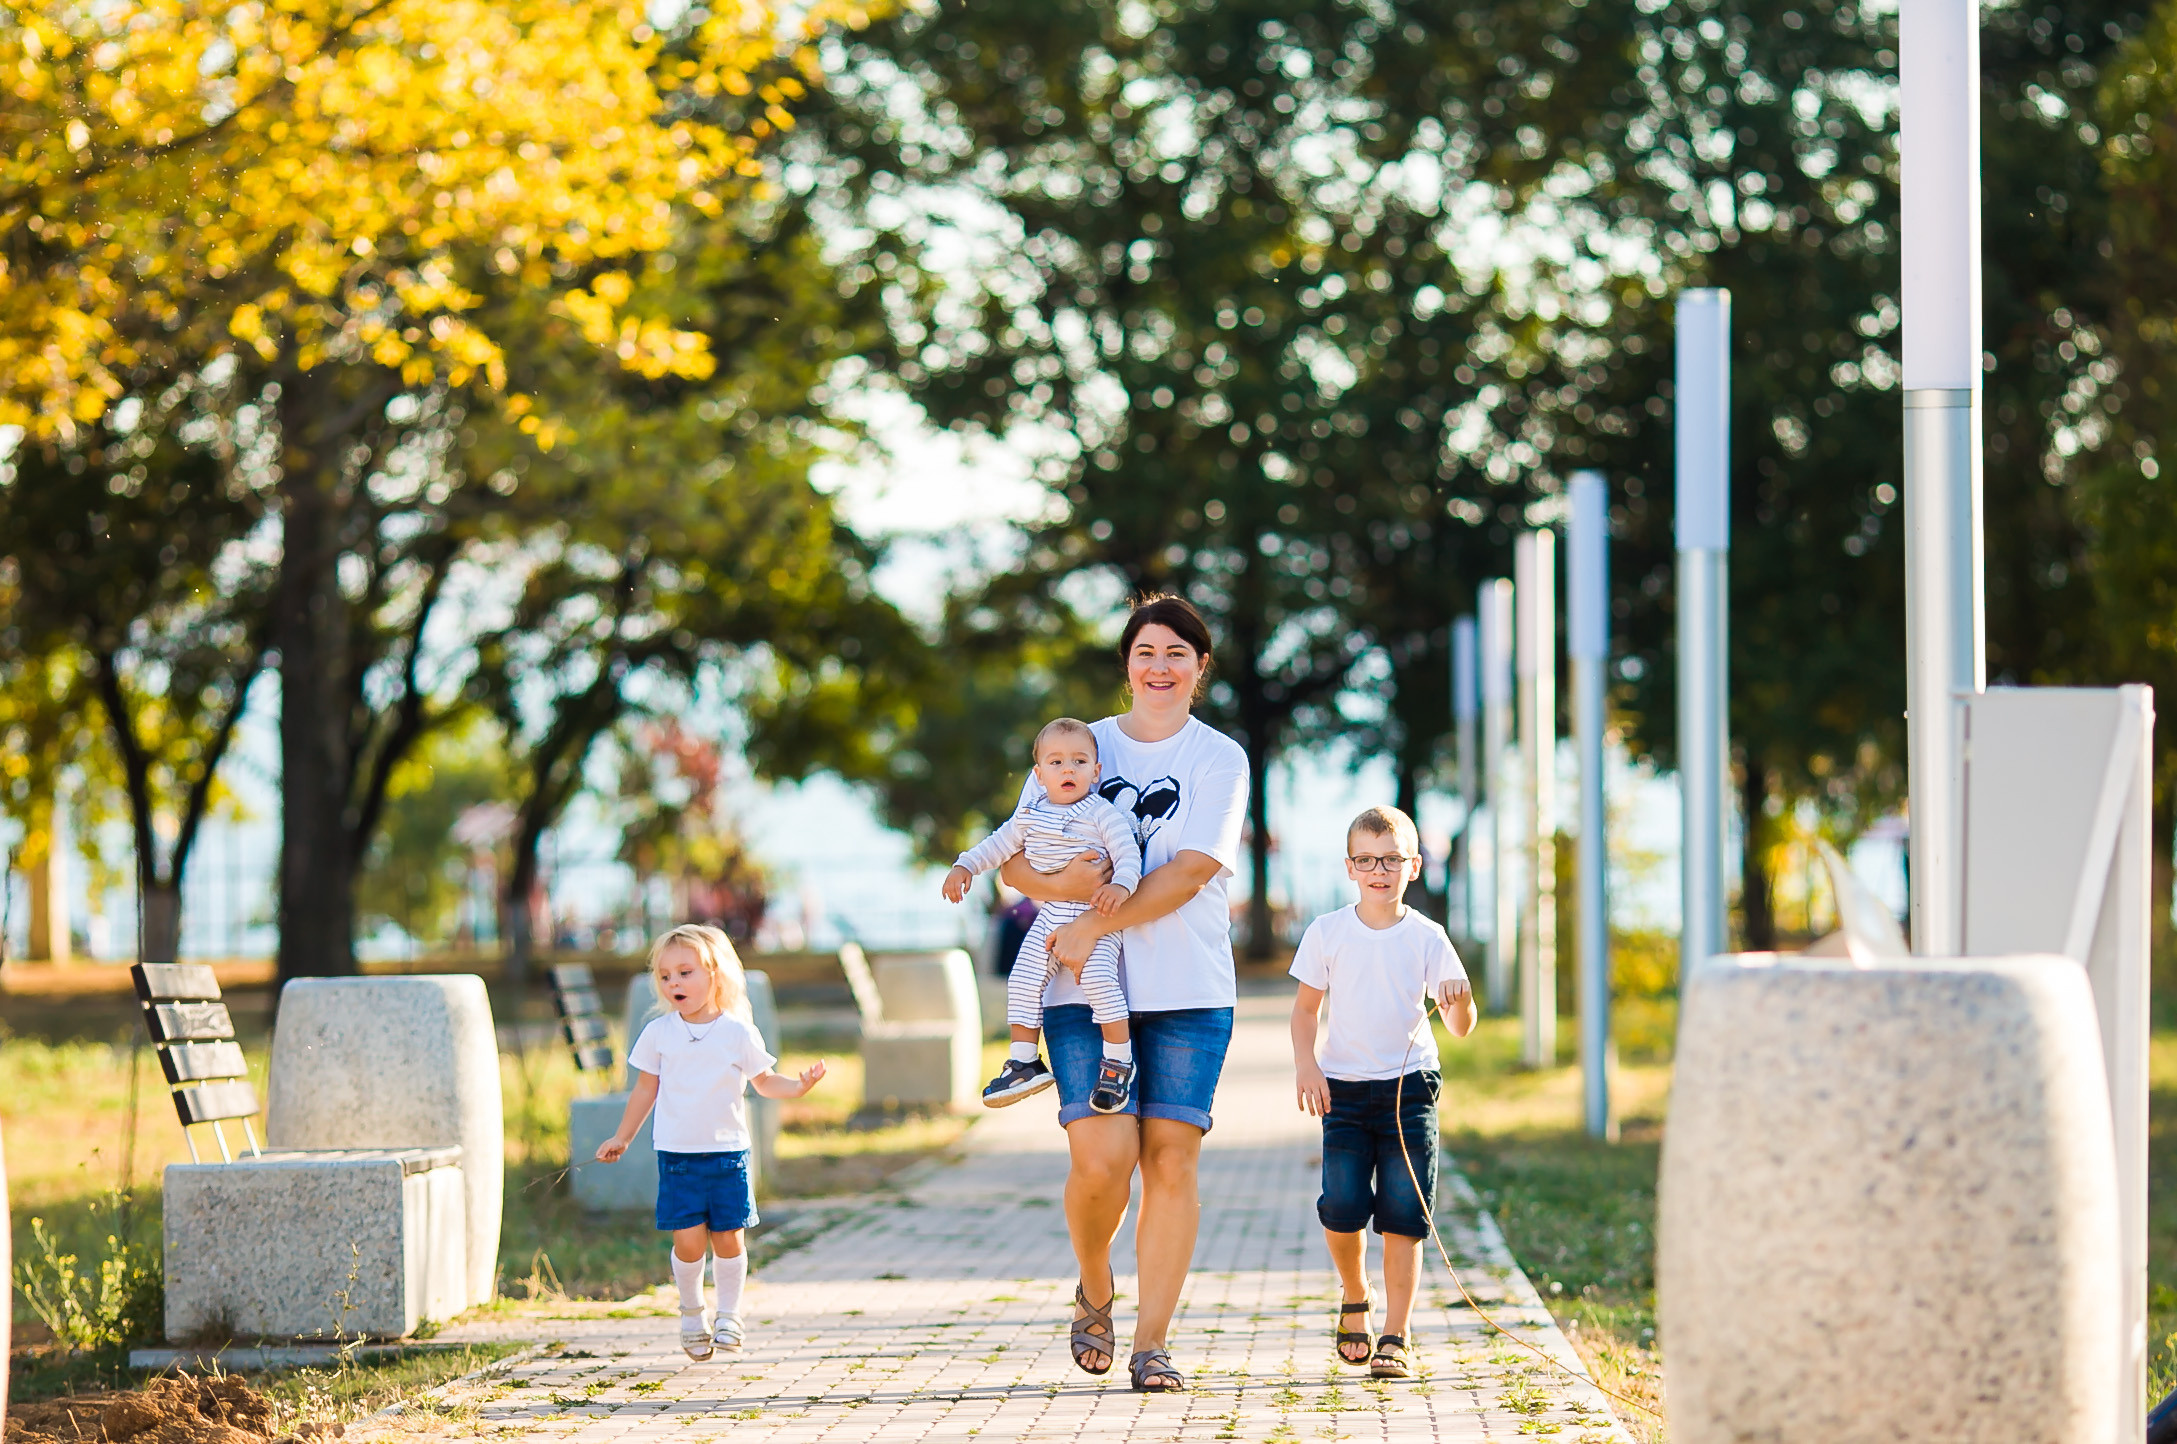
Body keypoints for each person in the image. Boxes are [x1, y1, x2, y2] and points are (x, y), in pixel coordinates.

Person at [998, 594, 1249, 1393]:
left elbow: (1189, 870)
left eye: (1177, 652)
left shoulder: (1220, 758)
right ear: (1127, 663)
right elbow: (1013, 861)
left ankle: (1151, 1345)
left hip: (1186, 986)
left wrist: (1095, 924)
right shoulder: (1077, 745)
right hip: (1080, 990)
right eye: (1146, 651)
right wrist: (1059, 889)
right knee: (1103, 1159)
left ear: (1199, 666)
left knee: (1170, 1161)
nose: (1160, 665)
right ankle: (1095, 1285)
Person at [1289, 804, 1477, 1381]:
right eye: (1367, 860)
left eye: (1391, 859)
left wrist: (1458, 998)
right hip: (1342, 1091)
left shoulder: (1429, 937)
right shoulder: (1328, 932)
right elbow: (1304, 1012)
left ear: (1412, 867)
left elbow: (1463, 1025)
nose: (1379, 870)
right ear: (1350, 866)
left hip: (1409, 1091)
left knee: (1403, 1214)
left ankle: (1396, 1333)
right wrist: (1307, 1067)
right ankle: (1354, 1294)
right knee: (1342, 1206)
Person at [595, 923, 827, 1360]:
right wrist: (621, 1137)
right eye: (665, 976)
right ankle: (690, 1313)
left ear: (714, 975)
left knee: (728, 1239)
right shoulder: (659, 1033)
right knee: (688, 1242)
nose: (674, 983)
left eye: (685, 972)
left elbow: (764, 1081)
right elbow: (645, 1090)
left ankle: (730, 1315)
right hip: (678, 1158)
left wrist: (796, 1087)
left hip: (728, 1157)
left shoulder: (737, 1032)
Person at [942, 718, 1143, 1109]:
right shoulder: (1029, 814)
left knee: (1100, 982)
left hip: (1095, 918)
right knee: (1023, 980)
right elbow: (997, 846)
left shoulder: (1102, 814)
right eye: (1056, 763)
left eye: (1079, 761)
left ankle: (1118, 1063)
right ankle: (1023, 1061)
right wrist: (965, 866)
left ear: (1096, 771)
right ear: (1038, 775)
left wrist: (1120, 886)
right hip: (1050, 915)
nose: (1068, 769)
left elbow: (1128, 856)